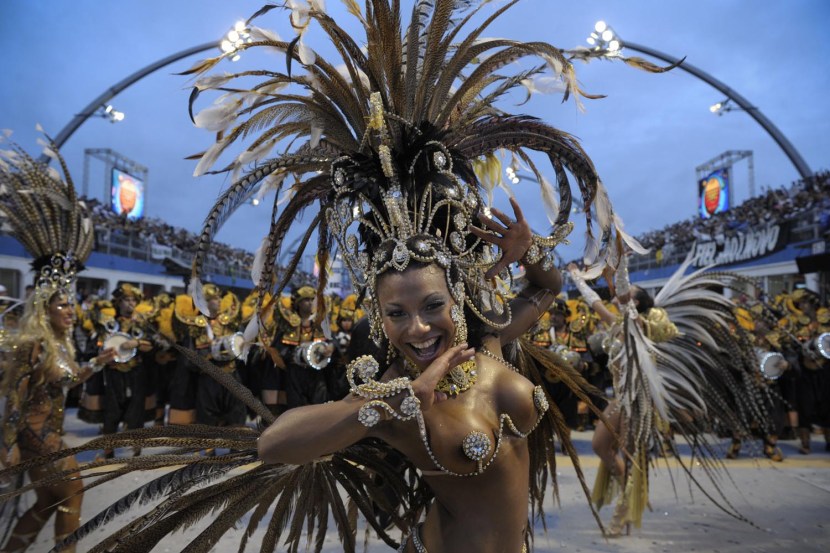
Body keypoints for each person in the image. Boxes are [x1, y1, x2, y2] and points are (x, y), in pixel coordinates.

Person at [568, 255, 776, 535]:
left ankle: (622, 513)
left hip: (639, 401)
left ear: (635, 302)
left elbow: (623, 290)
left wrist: (620, 256)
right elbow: (594, 300)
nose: (616, 295)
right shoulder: (616, 324)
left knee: (631, 457)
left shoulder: (640, 328)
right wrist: (577, 277)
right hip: (620, 398)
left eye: (627, 293)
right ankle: (628, 492)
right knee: (600, 446)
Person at [0, 134, 116, 553]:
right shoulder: (32, 344)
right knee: (73, 490)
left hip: (50, 433)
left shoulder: (60, 345)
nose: (71, 309)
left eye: (71, 302)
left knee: (48, 501)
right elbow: (15, 397)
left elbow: (65, 382)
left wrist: (99, 362)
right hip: (34, 437)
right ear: (45, 307)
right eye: (62, 304)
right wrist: (8, 447)